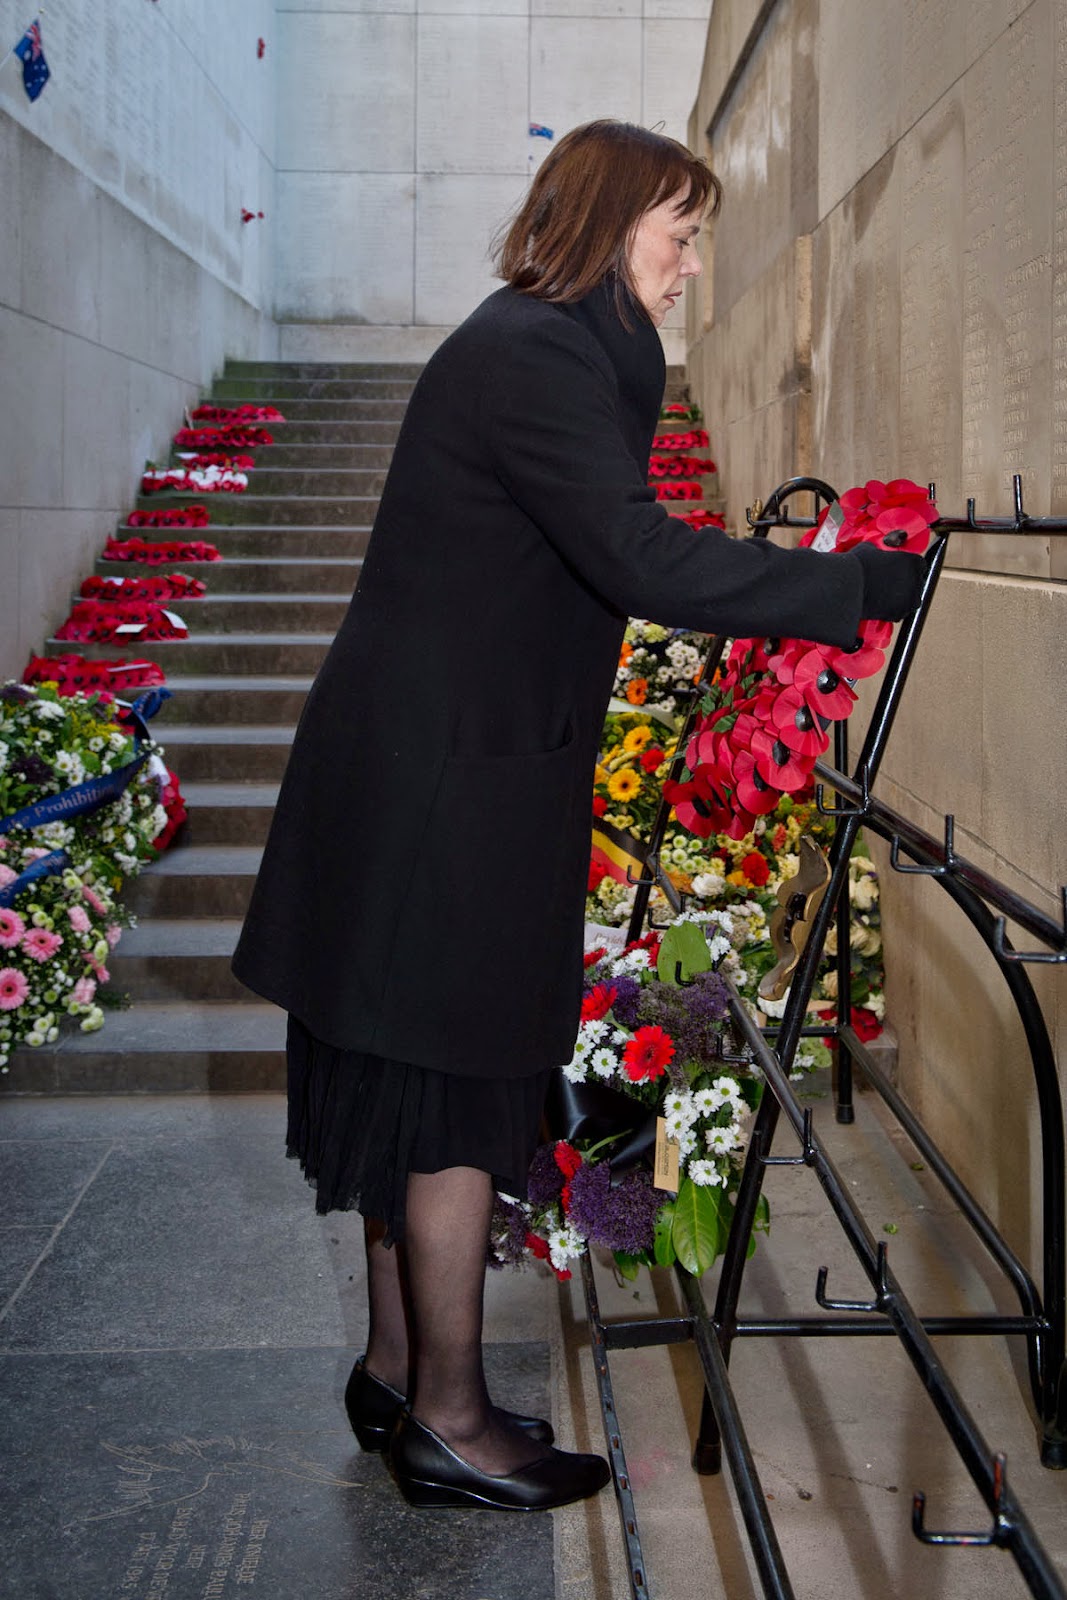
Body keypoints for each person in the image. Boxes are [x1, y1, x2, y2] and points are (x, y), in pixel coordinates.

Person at [232, 119, 923, 1513]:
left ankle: (393, 1371)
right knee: (448, 1091)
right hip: (444, 783)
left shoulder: (533, 344)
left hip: (435, 765)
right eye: (681, 236)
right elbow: (636, 551)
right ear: (612, 227)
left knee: (408, 1074)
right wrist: (849, 586)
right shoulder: (540, 352)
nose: (690, 268)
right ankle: (446, 1417)